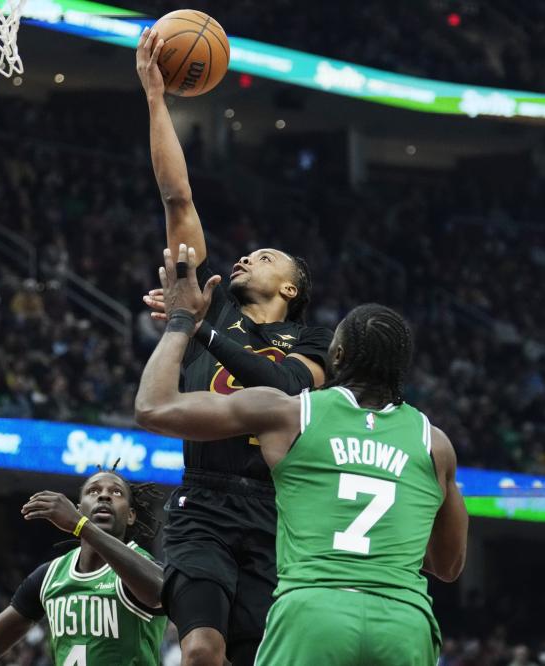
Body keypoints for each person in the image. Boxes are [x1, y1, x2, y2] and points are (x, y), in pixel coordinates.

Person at [135, 245, 469, 665]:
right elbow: (448, 564)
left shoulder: (296, 415)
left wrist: (183, 321)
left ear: (337, 357)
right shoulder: (434, 442)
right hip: (403, 621)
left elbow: (152, 408)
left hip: (313, 609)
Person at [135, 28, 334, 666]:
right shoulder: (212, 302)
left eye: (265, 257)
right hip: (203, 497)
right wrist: (157, 101)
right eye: (248, 253)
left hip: (275, 509)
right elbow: (178, 198)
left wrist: (200, 329)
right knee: (199, 650)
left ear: (291, 287)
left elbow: (287, 389)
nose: (246, 257)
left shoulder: (314, 340)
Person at [0, 470, 168, 666]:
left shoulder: (144, 567)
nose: (104, 496)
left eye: (116, 492)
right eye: (94, 491)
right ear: (79, 507)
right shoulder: (50, 576)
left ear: (131, 515)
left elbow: (159, 591)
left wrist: (81, 526)